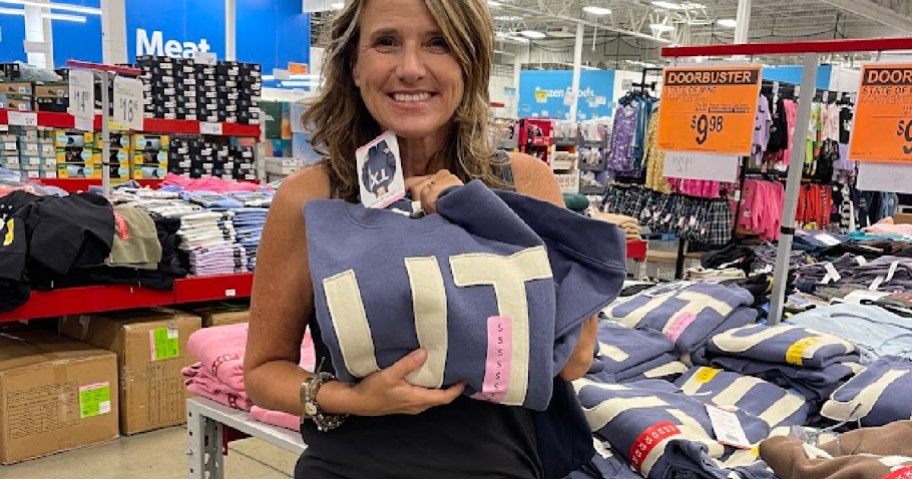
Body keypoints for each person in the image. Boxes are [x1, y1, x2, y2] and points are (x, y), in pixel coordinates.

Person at [244, 1, 599, 478]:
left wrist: (485, 216)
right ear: (353, 63)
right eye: (386, 41)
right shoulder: (308, 197)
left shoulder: (524, 183)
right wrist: (349, 399)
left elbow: (573, 360)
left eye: (439, 42)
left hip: (501, 466)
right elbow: (264, 372)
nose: (410, 69)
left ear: (469, 62)